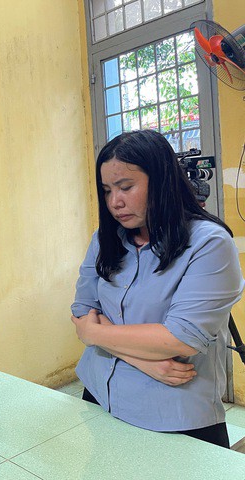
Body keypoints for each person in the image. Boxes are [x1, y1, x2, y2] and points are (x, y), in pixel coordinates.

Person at [71, 129, 244, 448]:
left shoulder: (208, 244)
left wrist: (91, 335)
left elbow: (180, 338)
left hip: (174, 414)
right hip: (99, 393)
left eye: (126, 187)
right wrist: (147, 361)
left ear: (162, 181)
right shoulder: (107, 239)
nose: (115, 202)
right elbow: (83, 309)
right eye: (107, 190)